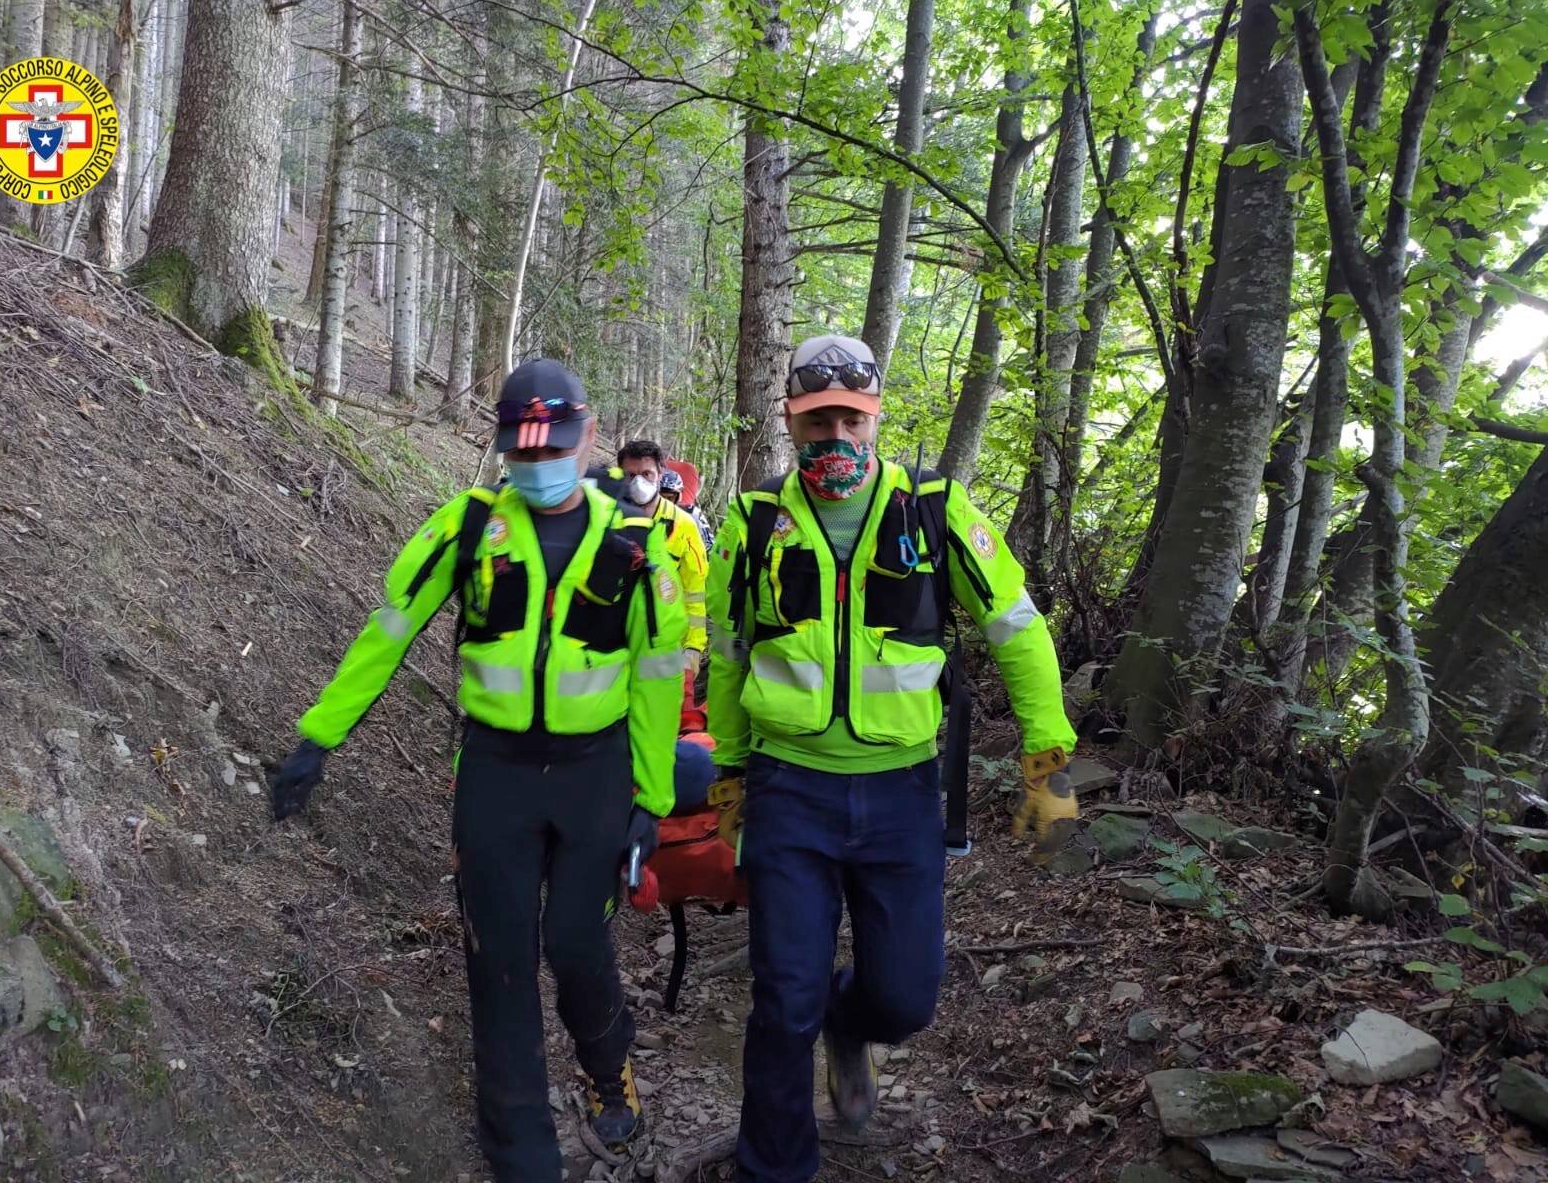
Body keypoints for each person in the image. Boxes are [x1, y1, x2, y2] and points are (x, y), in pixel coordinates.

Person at [266, 359, 686, 1181]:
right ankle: (524, 1153)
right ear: (502, 448)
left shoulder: (637, 545)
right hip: (495, 772)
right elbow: (391, 626)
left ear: (587, 435)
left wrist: (652, 801)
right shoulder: (467, 527)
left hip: (594, 774)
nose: (536, 466)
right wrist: (320, 736)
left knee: (574, 941)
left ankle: (608, 1064)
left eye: (553, 449)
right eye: (521, 453)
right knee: (498, 961)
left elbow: (658, 676)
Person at [706, 333, 1078, 1183]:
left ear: (875, 417)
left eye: (851, 418)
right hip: (789, 788)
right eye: (817, 420)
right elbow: (726, 654)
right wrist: (729, 772)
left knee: (906, 998)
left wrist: (1046, 762)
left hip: (902, 794)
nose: (835, 436)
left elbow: (1018, 632)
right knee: (781, 999)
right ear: (792, 425)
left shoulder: (935, 512)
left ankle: (853, 1023)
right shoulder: (755, 521)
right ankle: (775, 1168)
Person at [613, 440, 709, 711]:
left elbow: (696, 592)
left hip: (665, 648)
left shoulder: (684, 527)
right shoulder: (605, 519)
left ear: (659, 475)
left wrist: (693, 648)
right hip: (613, 645)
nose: (638, 482)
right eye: (630, 475)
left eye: (647, 475)